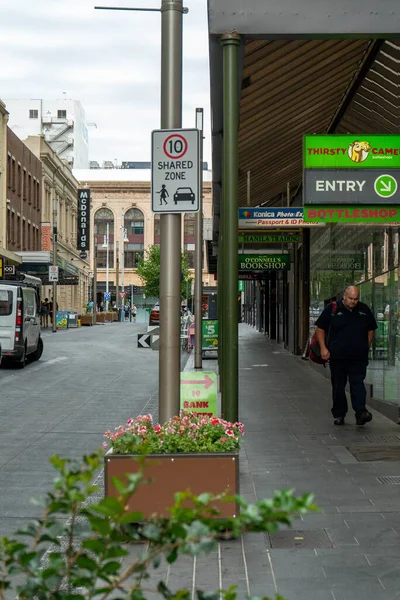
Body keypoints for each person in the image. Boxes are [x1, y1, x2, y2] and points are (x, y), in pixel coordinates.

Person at [315, 286, 377, 427]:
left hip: (358, 357)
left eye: (356, 299)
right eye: (350, 298)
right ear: (344, 296)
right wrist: (324, 348)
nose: (353, 302)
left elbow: (371, 329)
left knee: (357, 383)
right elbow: (320, 328)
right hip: (337, 357)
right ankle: (339, 414)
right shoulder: (333, 309)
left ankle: (361, 412)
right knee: (338, 386)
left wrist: (365, 346)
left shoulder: (364, 309)